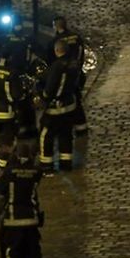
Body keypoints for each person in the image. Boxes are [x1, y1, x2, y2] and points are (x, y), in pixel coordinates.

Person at [0, 141, 44, 258]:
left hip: (13, 219)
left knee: (12, 252)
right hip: (31, 218)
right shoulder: (36, 171)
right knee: (33, 250)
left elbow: (0, 189)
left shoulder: (9, 171)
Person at [37, 38, 79, 172]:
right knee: (65, 134)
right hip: (70, 105)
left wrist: (42, 98)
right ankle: (66, 164)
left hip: (56, 108)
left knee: (46, 134)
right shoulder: (74, 63)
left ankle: (46, 165)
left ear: (56, 51)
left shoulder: (57, 66)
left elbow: (50, 88)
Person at [49, 16, 88, 140]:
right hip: (77, 73)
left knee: (68, 99)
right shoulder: (76, 37)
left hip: (63, 75)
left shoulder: (56, 40)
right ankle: (81, 127)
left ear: (56, 25)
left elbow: (51, 59)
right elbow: (82, 53)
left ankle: (66, 127)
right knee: (77, 99)